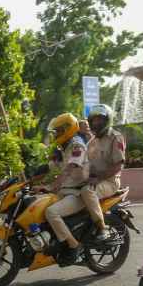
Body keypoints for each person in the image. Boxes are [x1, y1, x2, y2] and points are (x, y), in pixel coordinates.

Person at [39, 114, 89, 262]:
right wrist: (31, 180)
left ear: (68, 129)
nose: (56, 134)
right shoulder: (64, 147)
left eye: (59, 131)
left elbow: (69, 168)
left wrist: (51, 186)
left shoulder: (77, 145)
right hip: (65, 191)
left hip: (79, 192)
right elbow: (50, 167)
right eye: (56, 131)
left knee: (51, 212)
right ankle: (56, 242)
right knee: (40, 206)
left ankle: (74, 246)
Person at [80, 105, 125, 242]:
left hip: (110, 182)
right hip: (94, 179)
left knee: (87, 192)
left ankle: (102, 228)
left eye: (100, 120)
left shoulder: (115, 137)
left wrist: (98, 178)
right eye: (93, 120)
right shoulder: (92, 141)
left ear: (107, 120)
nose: (96, 123)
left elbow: (118, 165)